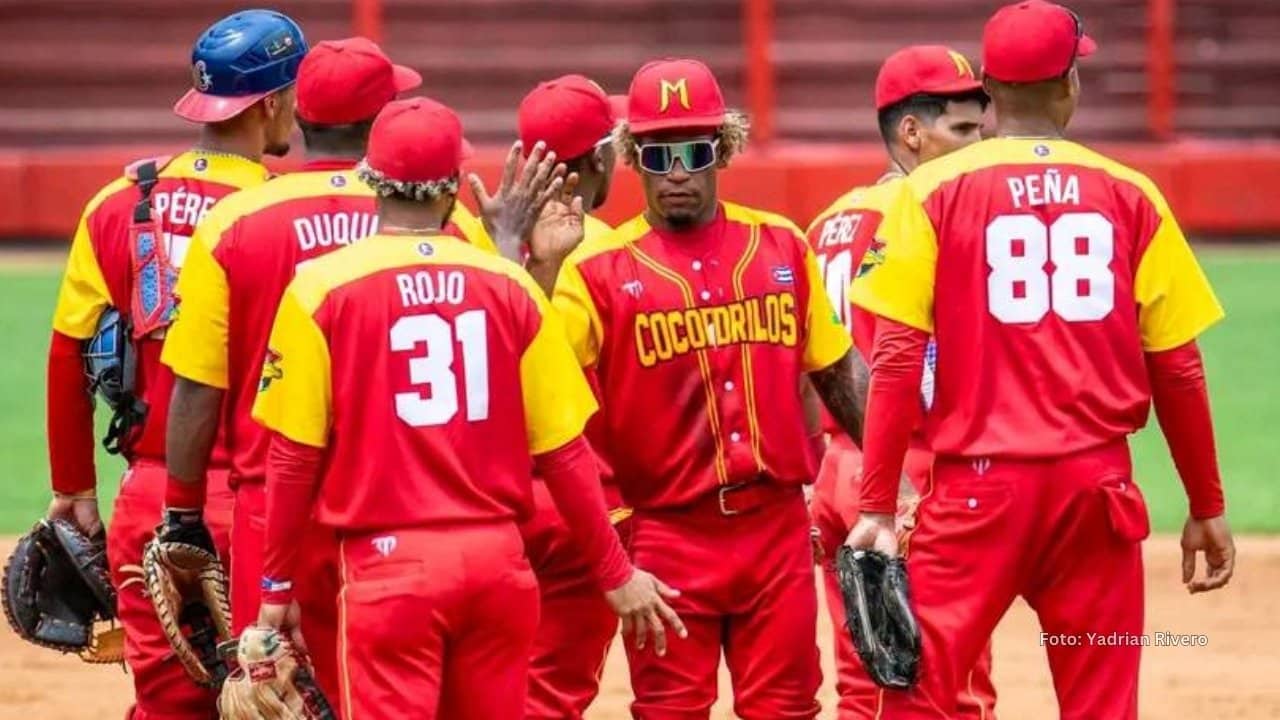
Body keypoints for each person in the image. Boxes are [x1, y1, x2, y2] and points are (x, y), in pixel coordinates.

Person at [846, 3, 1235, 718]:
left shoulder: (930, 191)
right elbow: (1178, 365)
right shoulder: (1131, 193)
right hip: (1096, 494)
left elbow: (896, 359)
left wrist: (875, 505)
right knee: (1101, 704)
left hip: (975, 498)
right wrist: (1205, 504)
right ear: (1070, 86)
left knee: (917, 697)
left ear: (988, 89)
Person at [250, 96, 686, 720]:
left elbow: (293, 457)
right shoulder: (507, 284)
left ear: (371, 178)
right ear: (455, 184)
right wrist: (615, 574)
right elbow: (563, 451)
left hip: (387, 568)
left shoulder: (321, 287)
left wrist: (276, 589)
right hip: (498, 567)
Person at [552, 57, 866, 719]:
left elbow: (837, 373)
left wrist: (892, 486)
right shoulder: (594, 271)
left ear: (721, 151)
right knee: (670, 708)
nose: (675, 172)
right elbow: (541, 400)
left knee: (787, 708)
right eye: (657, 153)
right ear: (633, 157)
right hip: (665, 536)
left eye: (693, 152)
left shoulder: (781, 246)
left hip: (777, 527)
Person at [42, 10, 304, 719]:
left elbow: (68, 351)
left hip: (149, 501)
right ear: (275, 102)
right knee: (275, 701)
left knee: (164, 705)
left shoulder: (116, 202)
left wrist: (75, 489)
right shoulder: (283, 214)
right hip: (259, 500)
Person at [159, 36, 421, 699]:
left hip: (272, 511)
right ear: (384, 119)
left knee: (277, 700)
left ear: (299, 114)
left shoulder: (233, 220)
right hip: (401, 509)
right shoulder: (433, 221)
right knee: (400, 696)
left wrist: (183, 514)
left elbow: (196, 383)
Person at [804, 45, 997, 719]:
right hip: (905, 470)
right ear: (911, 132)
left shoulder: (828, 220)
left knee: (866, 683)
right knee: (949, 686)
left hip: (837, 472)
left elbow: (811, 361)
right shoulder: (933, 215)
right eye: (964, 130)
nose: (980, 144)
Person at [512, 74, 632, 719]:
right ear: (598, 160)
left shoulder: (483, 242)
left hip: (491, 507)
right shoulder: (618, 251)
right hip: (584, 503)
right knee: (552, 696)